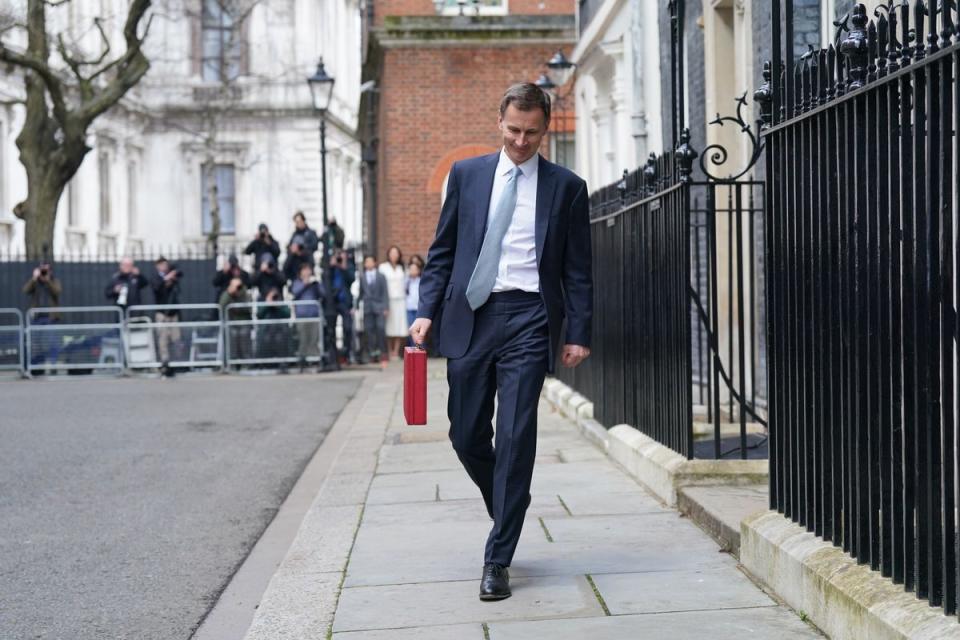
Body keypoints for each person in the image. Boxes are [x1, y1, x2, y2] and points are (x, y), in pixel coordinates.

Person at [409, 83, 593, 601]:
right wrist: (425, 313)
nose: (521, 141)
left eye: (532, 133)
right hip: (470, 314)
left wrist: (577, 331)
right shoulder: (466, 176)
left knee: (515, 435)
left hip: (530, 318)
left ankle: (498, 557)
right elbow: (441, 251)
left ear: (545, 129)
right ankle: (510, 501)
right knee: (466, 435)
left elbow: (579, 269)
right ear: (500, 121)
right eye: (513, 130)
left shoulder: (567, 187)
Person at [23, 262, 62, 368]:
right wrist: (34, 278)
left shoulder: (54, 281)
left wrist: (48, 280)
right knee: (36, 343)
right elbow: (25, 290)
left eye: (45, 270)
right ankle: (37, 365)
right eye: (42, 270)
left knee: (53, 342)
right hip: (38, 317)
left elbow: (57, 292)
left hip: (51, 318)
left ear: (50, 271)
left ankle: (53, 365)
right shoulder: (36, 283)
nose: (43, 272)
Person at [150, 257, 183, 376]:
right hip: (162, 312)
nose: (164, 267)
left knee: (176, 338)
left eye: (166, 264)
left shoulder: (172, 275)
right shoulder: (156, 277)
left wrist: (172, 277)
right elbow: (156, 288)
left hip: (173, 313)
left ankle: (178, 363)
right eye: (162, 265)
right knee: (162, 339)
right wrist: (166, 279)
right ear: (157, 266)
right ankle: (165, 362)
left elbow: (180, 274)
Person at [290, 263, 325, 371]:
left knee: (314, 339)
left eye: (308, 270)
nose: (307, 272)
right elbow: (295, 292)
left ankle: (314, 360)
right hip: (302, 316)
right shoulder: (297, 283)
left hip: (314, 315)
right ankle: (302, 360)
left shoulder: (314, 283)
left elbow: (323, 294)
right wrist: (305, 284)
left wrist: (316, 283)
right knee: (303, 339)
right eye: (305, 270)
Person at [358, 255, 389, 369]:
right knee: (369, 330)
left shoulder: (381, 276)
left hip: (379, 306)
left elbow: (385, 292)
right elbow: (361, 293)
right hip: (367, 307)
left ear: (375, 263)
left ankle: (383, 352)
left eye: (371, 261)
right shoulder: (362, 277)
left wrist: (386, 307)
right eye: (367, 262)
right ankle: (373, 353)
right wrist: (356, 306)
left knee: (380, 329)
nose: (369, 263)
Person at [326, 249, 356, 363]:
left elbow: (352, 279)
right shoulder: (331, 266)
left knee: (347, 328)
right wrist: (331, 265)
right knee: (330, 329)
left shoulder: (348, 265)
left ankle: (346, 353)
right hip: (332, 302)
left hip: (345, 301)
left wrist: (343, 265)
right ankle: (333, 355)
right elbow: (325, 278)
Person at [379, 245, 407, 359]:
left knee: (399, 326)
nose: (394, 255)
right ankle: (389, 351)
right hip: (388, 300)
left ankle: (396, 351)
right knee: (389, 326)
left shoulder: (402, 268)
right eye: (392, 253)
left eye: (396, 253)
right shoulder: (383, 267)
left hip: (400, 299)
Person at [256, 287, 292, 372]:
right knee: (266, 340)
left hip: (280, 330)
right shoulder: (264, 302)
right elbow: (259, 315)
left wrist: (278, 306)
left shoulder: (281, 303)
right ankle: (265, 364)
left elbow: (288, 314)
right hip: (266, 330)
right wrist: (267, 304)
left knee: (280, 340)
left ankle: (282, 363)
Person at [220, 277, 251, 366]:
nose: (237, 288)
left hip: (243, 322)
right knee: (231, 341)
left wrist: (239, 295)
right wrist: (229, 294)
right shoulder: (227, 294)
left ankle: (246, 364)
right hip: (231, 323)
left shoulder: (245, 294)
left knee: (244, 341)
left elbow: (247, 307)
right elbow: (222, 305)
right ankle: (232, 364)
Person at [405, 260, 421, 348]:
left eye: (415, 269)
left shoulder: (421, 281)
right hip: (409, 308)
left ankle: (421, 347)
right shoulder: (407, 281)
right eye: (411, 269)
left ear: (418, 271)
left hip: (418, 308)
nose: (413, 271)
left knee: (419, 329)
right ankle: (412, 347)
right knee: (411, 328)